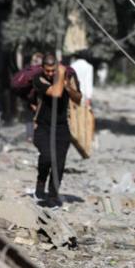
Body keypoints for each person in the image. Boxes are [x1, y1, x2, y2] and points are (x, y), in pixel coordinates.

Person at [32, 53, 82, 202]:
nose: (50, 73)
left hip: (61, 127)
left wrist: (69, 87)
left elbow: (78, 98)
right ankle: (41, 181)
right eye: (47, 70)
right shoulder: (38, 79)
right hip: (42, 126)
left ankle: (53, 194)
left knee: (59, 163)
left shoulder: (68, 77)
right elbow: (56, 93)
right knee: (47, 157)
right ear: (42, 69)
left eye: (53, 70)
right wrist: (60, 74)